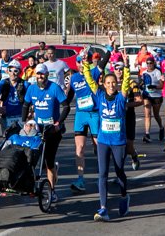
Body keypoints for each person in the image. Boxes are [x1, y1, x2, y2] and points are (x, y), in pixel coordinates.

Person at [82, 63, 133, 221]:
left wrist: (126, 67)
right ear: (104, 84)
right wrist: (85, 64)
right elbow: (89, 80)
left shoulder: (121, 97)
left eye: (113, 83)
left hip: (118, 142)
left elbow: (126, 82)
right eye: (108, 83)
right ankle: (103, 208)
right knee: (102, 174)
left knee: (119, 172)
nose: (111, 85)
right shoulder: (100, 95)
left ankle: (124, 196)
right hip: (103, 141)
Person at [24, 65, 69, 208]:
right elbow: (25, 105)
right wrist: (25, 121)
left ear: (47, 75)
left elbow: (66, 106)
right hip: (37, 129)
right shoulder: (31, 88)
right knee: (34, 159)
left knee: (48, 161)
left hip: (52, 131)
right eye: (38, 74)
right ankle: (34, 185)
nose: (40, 77)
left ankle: (52, 191)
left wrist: (58, 123)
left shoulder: (54, 88)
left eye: (42, 74)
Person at [69, 49, 101, 193]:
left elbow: (104, 60)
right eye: (79, 62)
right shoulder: (73, 78)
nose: (82, 64)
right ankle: (80, 179)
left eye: (84, 61)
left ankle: (103, 175)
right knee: (79, 148)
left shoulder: (93, 72)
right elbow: (68, 97)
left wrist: (109, 47)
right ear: (76, 64)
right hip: (81, 115)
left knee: (98, 147)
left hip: (94, 114)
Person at [0, 60, 26, 135]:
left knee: (21, 141)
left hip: (21, 117)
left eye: (15, 71)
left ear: (20, 72)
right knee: (8, 141)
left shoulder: (25, 84)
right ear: (7, 71)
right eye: (10, 70)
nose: (12, 73)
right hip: (7, 117)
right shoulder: (2, 83)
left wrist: (30, 112)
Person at [140, 56, 164, 143]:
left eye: (151, 63)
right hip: (147, 95)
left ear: (154, 63)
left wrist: (154, 86)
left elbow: (161, 85)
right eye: (148, 63)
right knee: (147, 114)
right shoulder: (144, 72)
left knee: (156, 114)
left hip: (156, 95)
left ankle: (161, 127)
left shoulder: (157, 72)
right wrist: (140, 85)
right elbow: (143, 82)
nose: (149, 65)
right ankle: (147, 134)